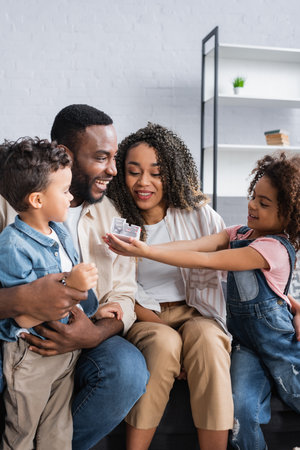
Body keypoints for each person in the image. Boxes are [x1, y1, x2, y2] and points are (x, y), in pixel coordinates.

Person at [105, 151, 300, 450]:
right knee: (243, 411)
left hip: (279, 346)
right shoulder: (238, 233)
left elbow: (206, 259)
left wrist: (145, 252)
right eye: (253, 196)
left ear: (290, 215)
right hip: (245, 346)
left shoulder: (272, 248)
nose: (251, 205)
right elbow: (194, 246)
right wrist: (144, 247)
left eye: (264, 203)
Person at [0, 105, 148, 450]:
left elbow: (124, 294)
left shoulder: (112, 216)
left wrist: (93, 333)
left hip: (83, 334)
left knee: (127, 371)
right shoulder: (10, 208)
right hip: (21, 338)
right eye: (101, 157)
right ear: (66, 155)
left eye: (114, 157)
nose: (113, 169)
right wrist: (25, 299)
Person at [106, 122, 233, 450]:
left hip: (196, 312)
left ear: (173, 173)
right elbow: (117, 287)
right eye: (134, 171)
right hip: (144, 315)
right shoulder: (114, 218)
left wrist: (291, 304)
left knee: (207, 340)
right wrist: (168, 331)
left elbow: (243, 263)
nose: (143, 182)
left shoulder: (200, 215)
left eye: (155, 173)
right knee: (164, 344)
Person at [0, 137, 101, 449]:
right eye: (65, 191)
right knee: (22, 431)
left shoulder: (59, 231)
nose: (71, 198)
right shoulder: (12, 245)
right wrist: (72, 286)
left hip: (63, 351)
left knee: (58, 432)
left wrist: (94, 308)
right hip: (31, 354)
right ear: (37, 200)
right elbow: (24, 309)